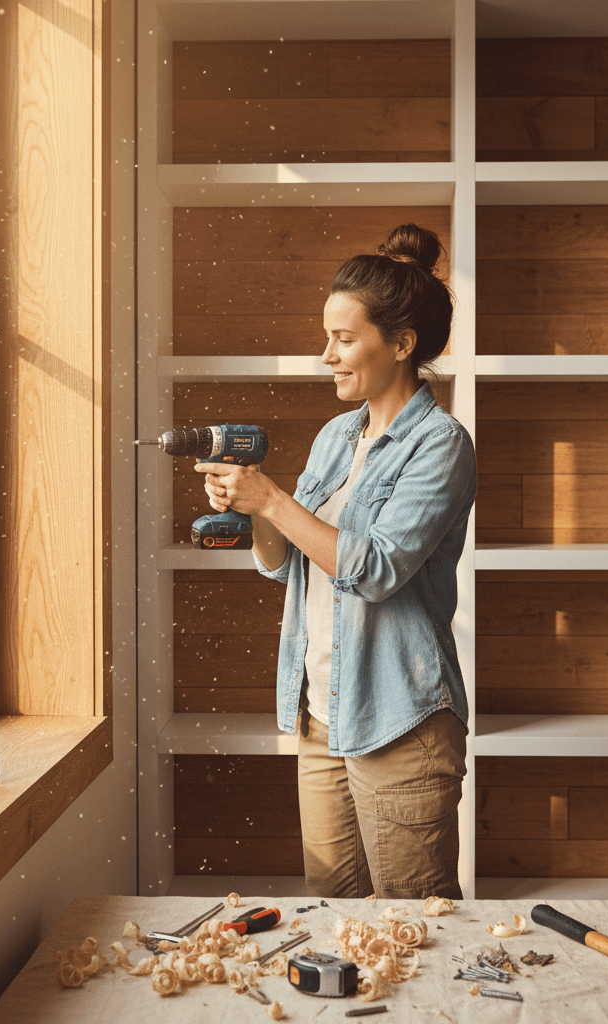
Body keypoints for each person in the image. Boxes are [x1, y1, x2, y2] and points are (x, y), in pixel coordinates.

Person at [196, 223, 477, 899]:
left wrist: (274, 497)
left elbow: (376, 570)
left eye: (344, 338)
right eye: (327, 336)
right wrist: (254, 505)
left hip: (400, 722)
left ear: (402, 345)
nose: (327, 355)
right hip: (320, 716)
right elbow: (285, 565)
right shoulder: (334, 436)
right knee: (333, 926)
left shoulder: (441, 446)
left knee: (416, 933)